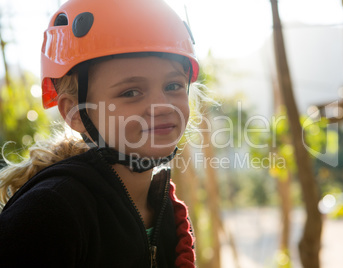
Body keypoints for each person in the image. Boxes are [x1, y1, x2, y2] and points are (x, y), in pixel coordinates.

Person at [0, 0, 202, 266]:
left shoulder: (165, 209)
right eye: (131, 92)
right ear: (75, 112)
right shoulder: (48, 214)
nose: (162, 106)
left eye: (173, 85)